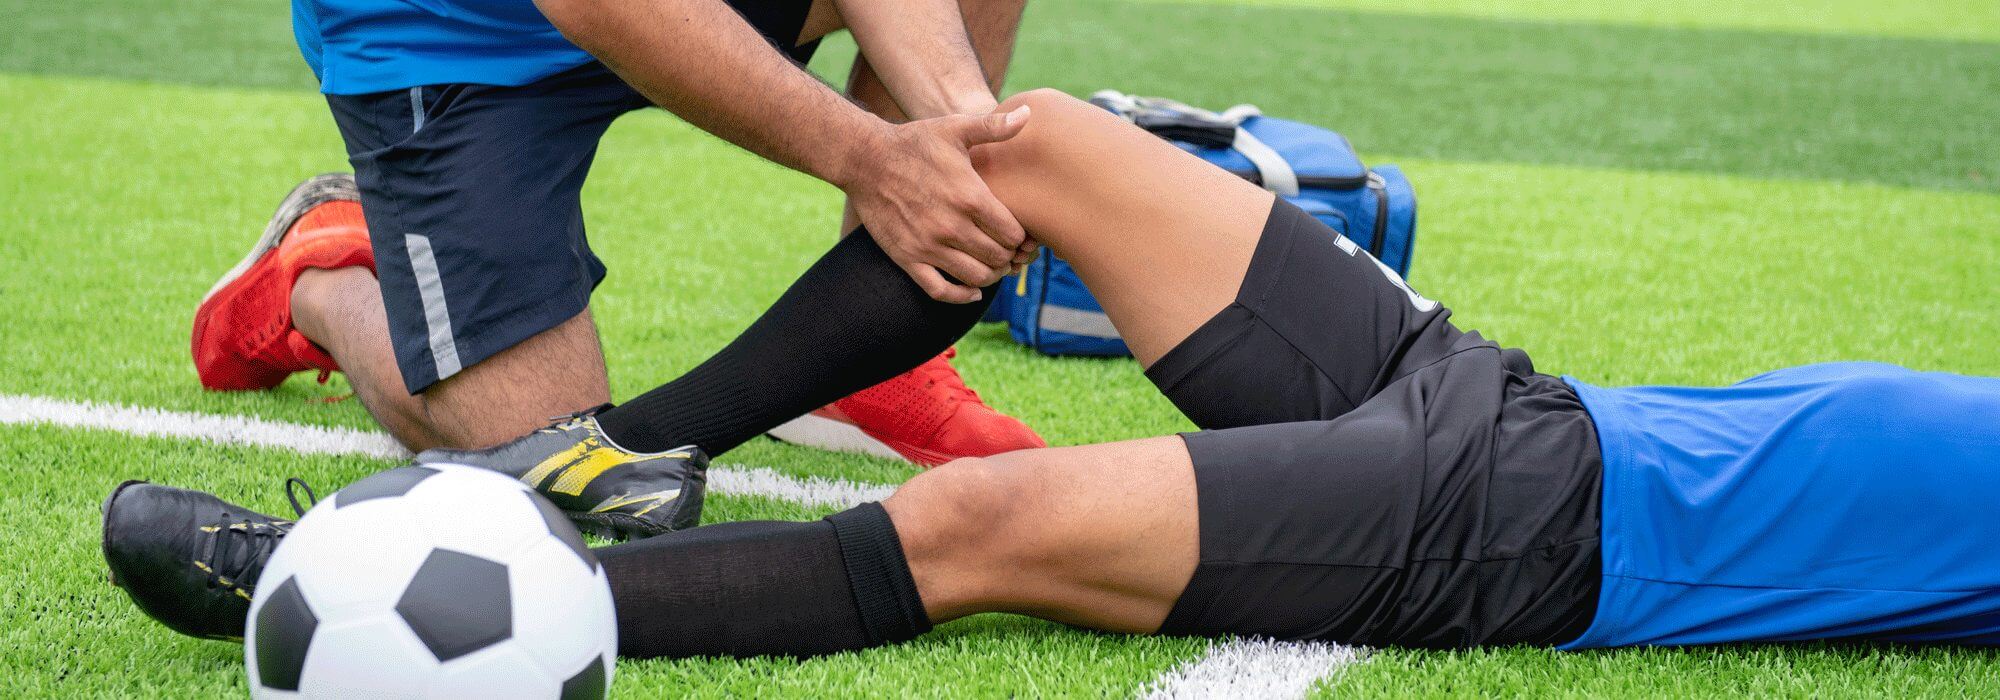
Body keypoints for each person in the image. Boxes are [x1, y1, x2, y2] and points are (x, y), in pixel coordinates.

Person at [110, 90, 2000, 652]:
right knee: (1030, 148)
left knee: (986, 519)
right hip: (1518, 405)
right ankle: (609, 453)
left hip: (1535, 532)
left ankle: (338, 592)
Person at [193, 0, 1047, 472]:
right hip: (445, 38)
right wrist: (874, 160)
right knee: (548, 455)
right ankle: (320, 271)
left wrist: (964, 137)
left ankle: (887, 372)